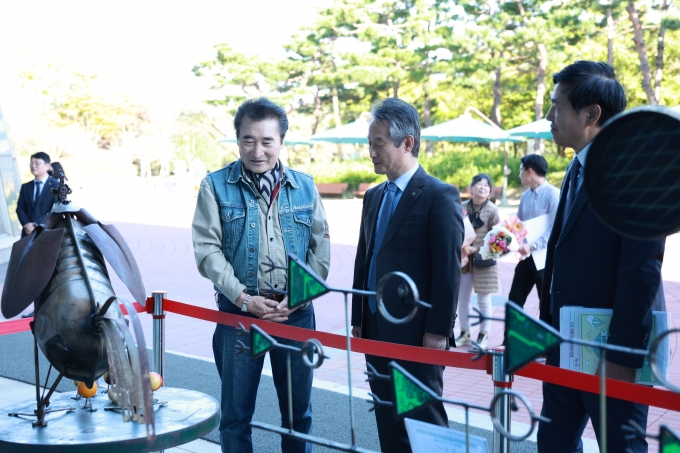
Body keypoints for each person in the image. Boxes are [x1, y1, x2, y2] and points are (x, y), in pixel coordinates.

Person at [537, 61, 665, 453]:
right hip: (565, 344)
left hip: (613, 353)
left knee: (621, 446)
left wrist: (622, 354)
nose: (549, 116)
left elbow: (641, 269)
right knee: (553, 443)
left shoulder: (636, 174)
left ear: (591, 114)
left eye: (557, 106)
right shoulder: (575, 168)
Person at [192, 98, 331, 453]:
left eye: (267, 141)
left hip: (295, 315)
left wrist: (298, 297)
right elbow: (207, 251)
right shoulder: (215, 186)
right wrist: (244, 299)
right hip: (239, 316)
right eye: (248, 140)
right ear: (238, 140)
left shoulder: (305, 187)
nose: (257, 151)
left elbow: (320, 249)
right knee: (235, 417)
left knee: (298, 415)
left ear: (281, 141)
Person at [351, 98, 463, 453]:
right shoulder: (373, 196)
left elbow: (448, 270)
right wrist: (358, 318)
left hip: (416, 334)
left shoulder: (439, 196)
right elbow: (365, 259)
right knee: (387, 419)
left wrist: (438, 331)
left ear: (407, 143)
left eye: (379, 144)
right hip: (374, 328)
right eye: (369, 144)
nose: (371, 152)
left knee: (423, 422)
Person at [507, 154, 559, 309]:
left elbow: (556, 229)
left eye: (520, 170)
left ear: (529, 171)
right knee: (514, 302)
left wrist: (533, 246)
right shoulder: (525, 196)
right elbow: (519, 225)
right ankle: (513, 327)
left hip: (545, 259)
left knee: (546, 306)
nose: (519, 175)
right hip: (527, 258)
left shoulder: (553, 195)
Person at [455, 174, 500, 349]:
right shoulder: (462, 207)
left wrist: (475, 249)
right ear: (471, 188)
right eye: (479, 184)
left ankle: (483, 335)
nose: (482, 187)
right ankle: (464, 333)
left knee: (483, 300)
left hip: (485, 262)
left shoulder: (492, 210)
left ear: (489, 191)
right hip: (464, 260)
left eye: (486, 185)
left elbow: (498, 239)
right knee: (462, 299)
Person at [16, 152, 59, 238]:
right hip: (28, 233)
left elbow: (56, 209)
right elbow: (20, 209)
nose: (33, 166)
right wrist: (27, 224)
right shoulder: (26, 187)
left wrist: (35, 225)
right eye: (31, 163)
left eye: (37, 163)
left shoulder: (56, 185)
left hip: (48, 232)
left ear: (47, 166)